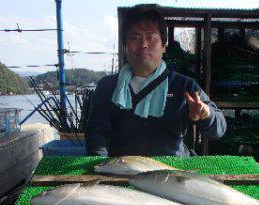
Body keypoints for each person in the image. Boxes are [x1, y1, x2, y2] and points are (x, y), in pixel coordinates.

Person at [86, 5, 226, 157]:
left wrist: (206, 115)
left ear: (164, 46)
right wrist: (100, 166)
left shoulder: (184, 85)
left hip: (173, 172)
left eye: (150, 37)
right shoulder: (107, 86)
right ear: (125, 46)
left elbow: (219, 129)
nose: (143, 44)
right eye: (135, 37)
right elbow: (97, 134)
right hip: (123, 169)